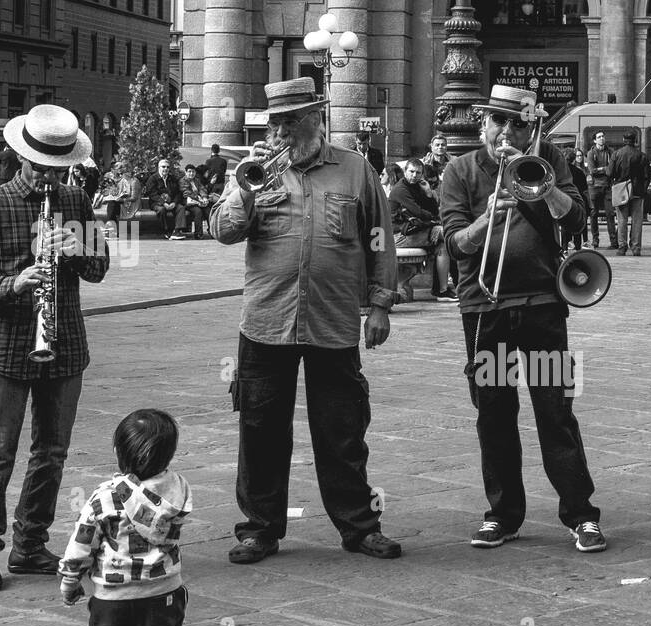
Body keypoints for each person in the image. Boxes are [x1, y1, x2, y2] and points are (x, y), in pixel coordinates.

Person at [210, 77, 402, 564]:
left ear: (316, 118)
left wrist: (380, 305)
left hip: (332, 320)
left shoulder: (355, 170)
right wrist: (243, 190)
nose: (282, 132)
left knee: (342, 431)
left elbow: (380, 238)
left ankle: (359, 527)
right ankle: (259, 529)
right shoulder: (255, 172)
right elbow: (224, 232)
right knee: (260, 430)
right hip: (267, 321)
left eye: (291, 120)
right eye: (276, 122)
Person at [0, 104, 110, 592]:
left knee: (52, 452)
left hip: (64, 344)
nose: (47, 177)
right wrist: (11, 283)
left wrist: (78, 248)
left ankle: (30, 543)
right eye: (40, 167)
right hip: (5, 345)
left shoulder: (76, 202)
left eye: (56, 169)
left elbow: (99, 267)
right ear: (22, 157)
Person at [439, 84, 606, 552]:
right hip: (485, 308)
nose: (507, 132)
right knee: (494, 413)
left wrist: (548, 189)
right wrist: (485, 219)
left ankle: (580, 514)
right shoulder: (460, 171)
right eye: (498, 122)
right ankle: (504, 514)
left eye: (518, 123)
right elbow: (454, 245)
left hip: (542, 308)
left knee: (555, 411)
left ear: (532, 125)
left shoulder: (549, 158)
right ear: (483, 123)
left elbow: (576, 221)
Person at [60, 409, 192, 626]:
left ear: (119, 452)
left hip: (111, 597)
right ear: (169, 454)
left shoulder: (104, 496)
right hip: (162, 590)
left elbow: (82, 542)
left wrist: (71, 579)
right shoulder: (177, 490)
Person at [390, 157, 456, 301]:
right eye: (411, 172)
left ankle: (442, 290)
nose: (414, 175)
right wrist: (432, 219)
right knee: (448, 235)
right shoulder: (400, 189)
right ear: (405, 171)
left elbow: (431, 209)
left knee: (444, 244)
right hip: (398, 236)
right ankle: (454, 285)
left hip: (416, 231)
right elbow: (418, 212)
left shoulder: (418, 186)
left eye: (418, 173)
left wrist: (428, 193)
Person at [607, 130, 648, 257]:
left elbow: (610, 173)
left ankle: (622, 247)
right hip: (637, 191)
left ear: (624, 140)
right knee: (637, 220)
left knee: (622, 220)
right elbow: (647, 175)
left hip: (621, 190)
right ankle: (636, 248)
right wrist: (643, 189)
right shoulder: (642, 155)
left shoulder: (617, 154)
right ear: (635, 141)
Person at [584, 130, 617, 249]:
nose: (602, 138)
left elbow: (612, 169)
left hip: (607, 187)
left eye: (603, 136)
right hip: (594, 187)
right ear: (595, 140)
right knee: (593, 214)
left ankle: (614, 241)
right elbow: (592, 171)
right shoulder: (590, 153)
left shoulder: (611, 152)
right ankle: (595, 240)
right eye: (599, 137)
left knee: (610, 214)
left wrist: (602, 170)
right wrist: (606, 169)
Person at [144, 158, 188, 240]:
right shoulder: (152, 179)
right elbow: (152, 194)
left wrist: (174, 203)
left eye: (167, 167)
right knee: (161, 210)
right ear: (158, 168)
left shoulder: (173, 178)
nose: (166, 169)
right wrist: (163, 203)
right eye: (163, 167)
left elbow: (178, 193)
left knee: (181, 208)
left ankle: (177, 231)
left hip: (171, 202)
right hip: (156, 203)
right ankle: (166, 231)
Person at [562, 147, 591, 251]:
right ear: (574, 159)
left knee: (565, 225)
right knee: (577, 224)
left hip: (564, 200)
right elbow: (584, 189)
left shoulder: (560, 172)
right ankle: (578, 247)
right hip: (578, 200)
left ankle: (564, 248)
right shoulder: (579, 172)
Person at [179, 165, 211, 238]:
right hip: (188, 202)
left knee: (208, 211)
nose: (191, 173)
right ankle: (198, 233)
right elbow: (186, 192)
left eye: (193, 172)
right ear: (185, 172)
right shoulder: (183, 181)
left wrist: (204, 197)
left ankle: (212, 231)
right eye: (189, 171)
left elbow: (202, 189)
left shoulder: (197, 180)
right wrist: (198, 198)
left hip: (199, 201)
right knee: (198, 211)